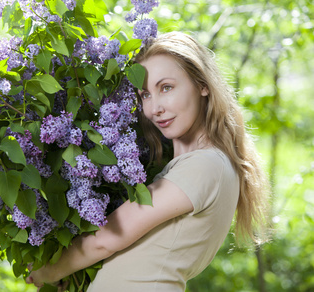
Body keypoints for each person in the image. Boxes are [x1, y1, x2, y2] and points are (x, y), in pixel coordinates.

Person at [26, 32, 270, 291]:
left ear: (202, 85)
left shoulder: (205, 166)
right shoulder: (190, 168)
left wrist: (49, 271)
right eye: (145, 95)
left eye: (166, 88)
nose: (154, 109)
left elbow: (107, 239)